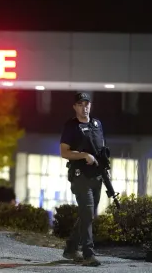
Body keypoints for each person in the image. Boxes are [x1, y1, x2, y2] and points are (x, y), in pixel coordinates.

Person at [59, 92, 105, 267]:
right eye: (80, 104)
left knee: (89, 215)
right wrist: (84, 155)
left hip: (97, 175)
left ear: (90, 105)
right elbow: (64, 152)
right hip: (80, 176)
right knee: (86, 212)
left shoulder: (97, 124)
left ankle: (70, 248)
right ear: (75, 107)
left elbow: (102, 150)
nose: (84, 107)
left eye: (87, 104)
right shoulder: (71, 126)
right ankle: (88, 254)